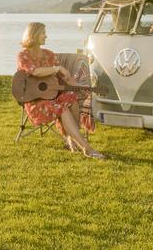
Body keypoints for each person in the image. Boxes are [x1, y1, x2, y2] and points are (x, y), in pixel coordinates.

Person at [17, 22, 106, 159]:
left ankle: (71, 139)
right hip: (35, 102)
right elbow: (34, 72)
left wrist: (84, 88)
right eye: (43, 33)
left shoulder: (49, 54)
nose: (46, 36)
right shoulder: (23, 55)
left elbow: (67, 78)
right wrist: (56, 69)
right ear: (33, 35)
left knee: (71, 97)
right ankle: (86, 148)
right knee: (62, 108)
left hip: (52, 97)